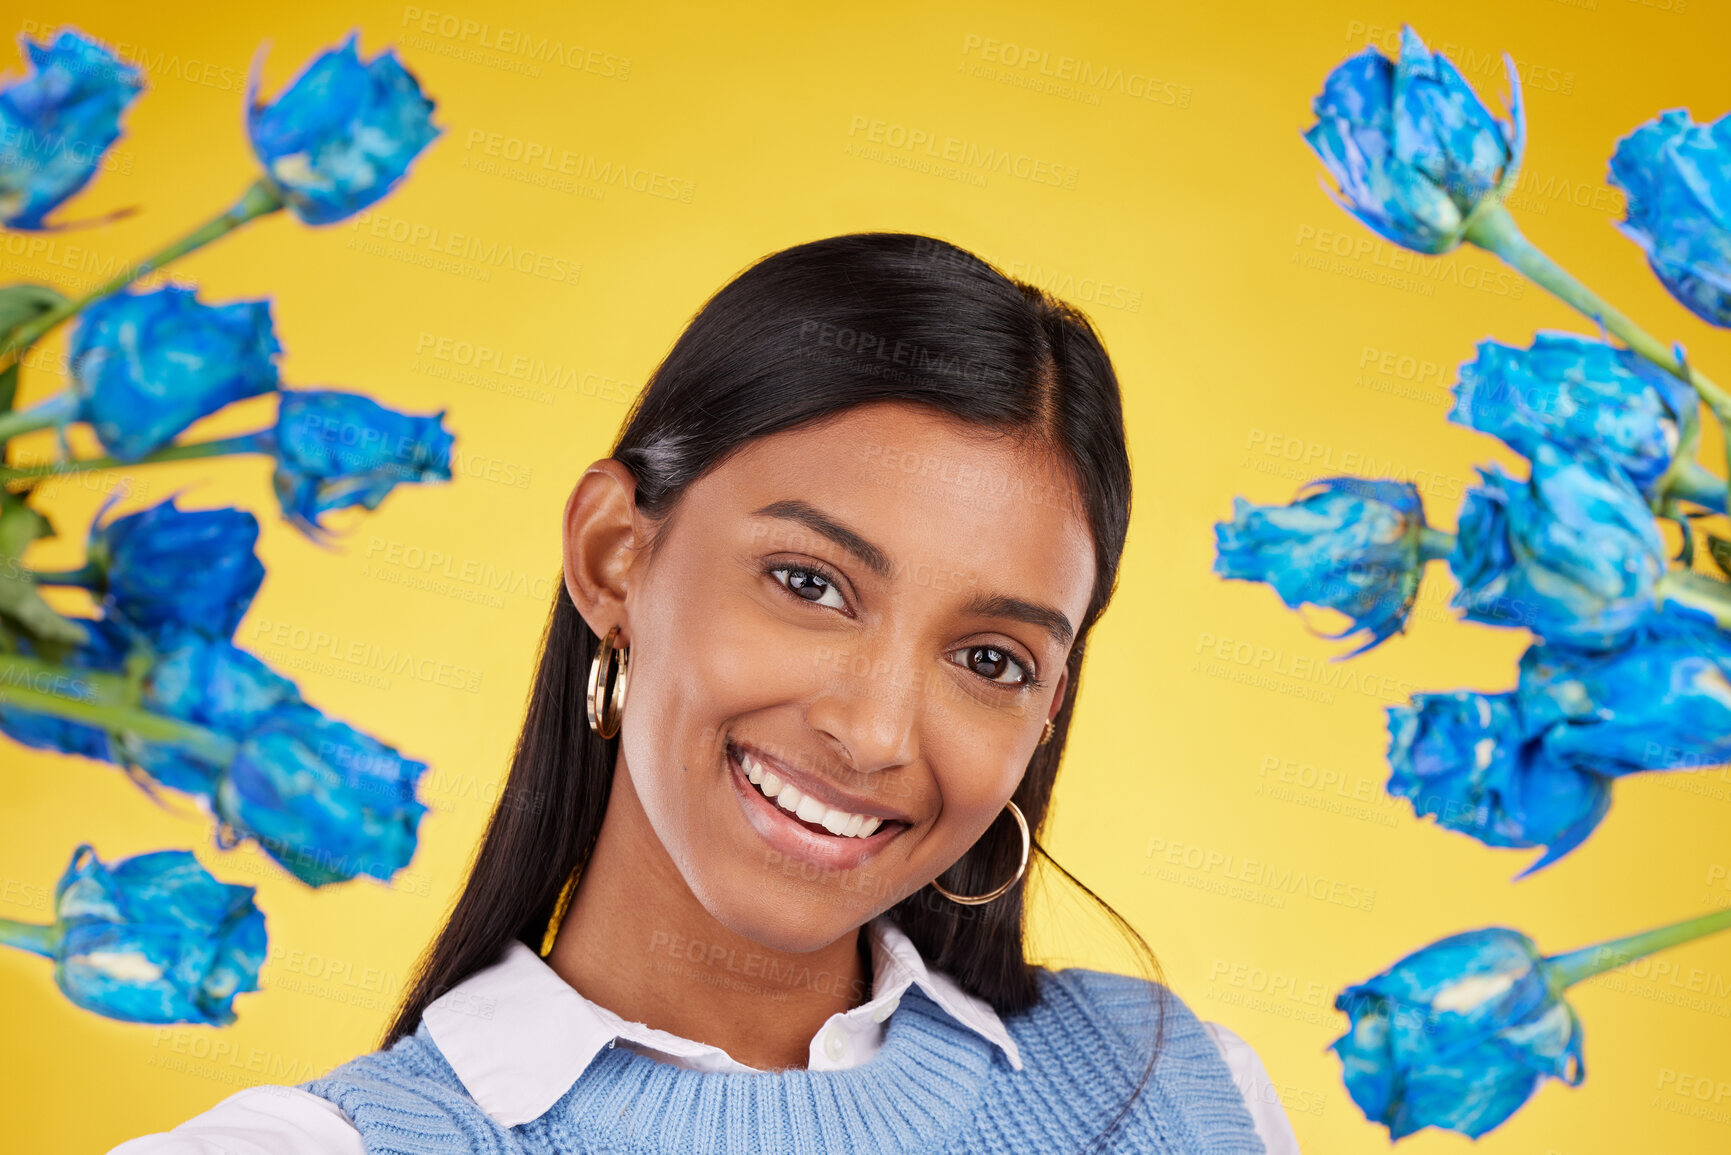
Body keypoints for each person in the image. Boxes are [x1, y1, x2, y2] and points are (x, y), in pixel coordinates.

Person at [113, 233, 1300, 1154]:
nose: (875, 731)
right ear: (614, 555)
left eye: (992, 660)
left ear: (1047, 709)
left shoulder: (1180, 1093)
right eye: (809, 582)